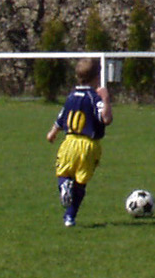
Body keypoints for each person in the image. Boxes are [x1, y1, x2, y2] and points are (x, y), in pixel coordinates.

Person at [46, 58, 113, 226]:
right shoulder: (93, 97)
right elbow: (106, 119)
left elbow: (62, 117)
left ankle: (64, 187)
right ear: (96, 77)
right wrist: (105, 99)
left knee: (63, 174)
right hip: (89, 145)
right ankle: (70, 217)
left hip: (69, 143)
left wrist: (52, 133)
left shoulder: (71, 96)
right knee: (81, 183)